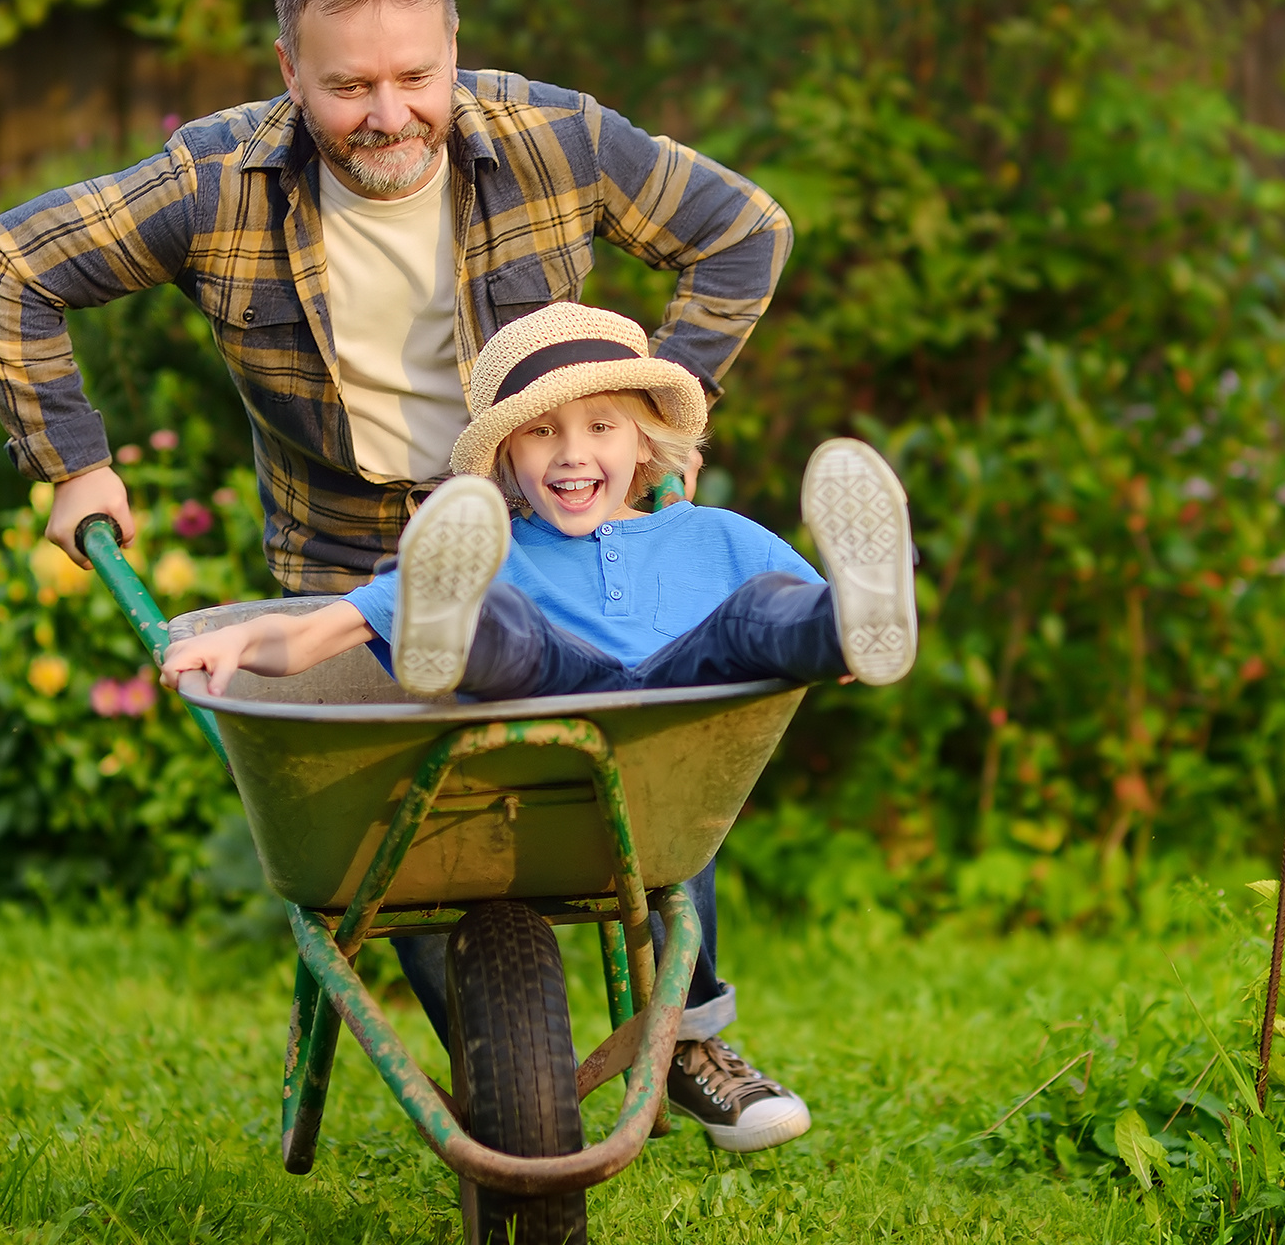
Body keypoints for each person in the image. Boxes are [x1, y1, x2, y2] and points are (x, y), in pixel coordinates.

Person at [0, 0, 810, 1143]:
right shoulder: (220, 178)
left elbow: (743, 230)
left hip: (544, 524)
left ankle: (692, 1036)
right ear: (289, 72)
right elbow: (4, 266)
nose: (389, 113)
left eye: (417, 75)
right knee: (410, 834)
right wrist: (71, 463)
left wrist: (661, 414)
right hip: (349, 558)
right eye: (348, 84)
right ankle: (519, 1081)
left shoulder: (554, 138)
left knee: (655, 702)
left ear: (455, 53)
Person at [160, 304, 919, 1148]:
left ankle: (861, 612)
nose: (572, 452)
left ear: (645, 444)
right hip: (540, 714)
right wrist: (228, 642)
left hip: (667, 726)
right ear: (508, 459)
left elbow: (777, 621)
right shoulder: (500, 548)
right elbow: (311, 634)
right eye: (541, 433)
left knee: (758, 613)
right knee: (509, 625)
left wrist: (836, 643)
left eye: (601, 425)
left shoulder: (717, 536)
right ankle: (445, 632)